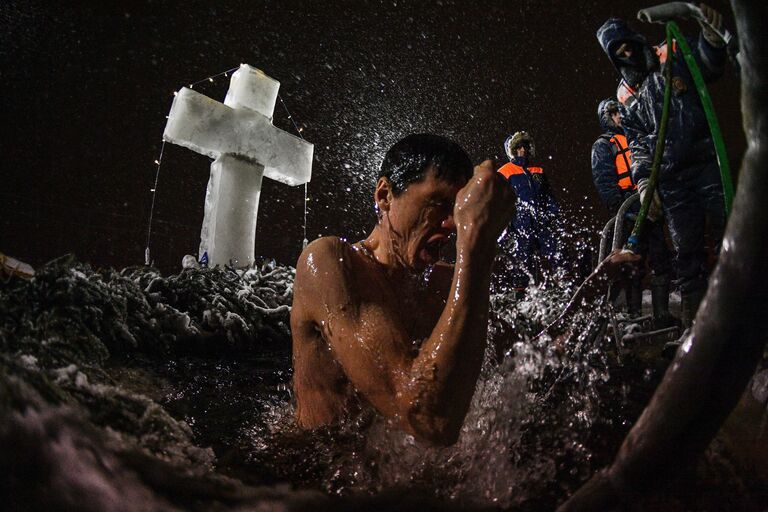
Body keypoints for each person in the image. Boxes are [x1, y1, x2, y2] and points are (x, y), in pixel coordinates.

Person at [291, 133, 639, 446]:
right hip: (316, 477)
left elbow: (527, 357)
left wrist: (595, 287)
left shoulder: (442, 282)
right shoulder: (330, 263)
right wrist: (477, 247)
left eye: (457, 211)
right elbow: (426, 420)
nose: (451, 224)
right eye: (439, 204)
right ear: (384, 195)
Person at [596, 6, 727, 328]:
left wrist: (710, 35)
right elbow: (638, 143)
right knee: (687, 254)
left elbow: (710, 64)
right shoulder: (626, 95)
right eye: (617, 51)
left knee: (732, 236)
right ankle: (696, 327)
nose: (626, 52)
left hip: (706, 162)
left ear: (635, 38)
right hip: (670, 180)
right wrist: (643, 183)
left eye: (626, 43)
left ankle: (745, 313)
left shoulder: (672, 54)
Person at [591, 98, 674, 326]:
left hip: (648, 204)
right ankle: (633, 313)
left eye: (620, 112)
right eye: (614, 114)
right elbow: (605, 182)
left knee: (660, 258)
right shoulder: (603, 145)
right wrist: (621, 209)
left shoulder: (635, 137)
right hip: (628, 209)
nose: (619, 117)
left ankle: (661, 314)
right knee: (632, 264)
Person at [497, 131, 565, 294]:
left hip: (542, 221)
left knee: (557, 253)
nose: (523, 149)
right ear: (512, 150)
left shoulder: (538, 170)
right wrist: (504, 223)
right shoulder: (505, 172)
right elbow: (498, 201)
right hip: (520, 224)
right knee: (522, 261)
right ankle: (520, 296)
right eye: (519, 146)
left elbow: (548, 195)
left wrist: (554, 212)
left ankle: (564, 289)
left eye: (525, 146)